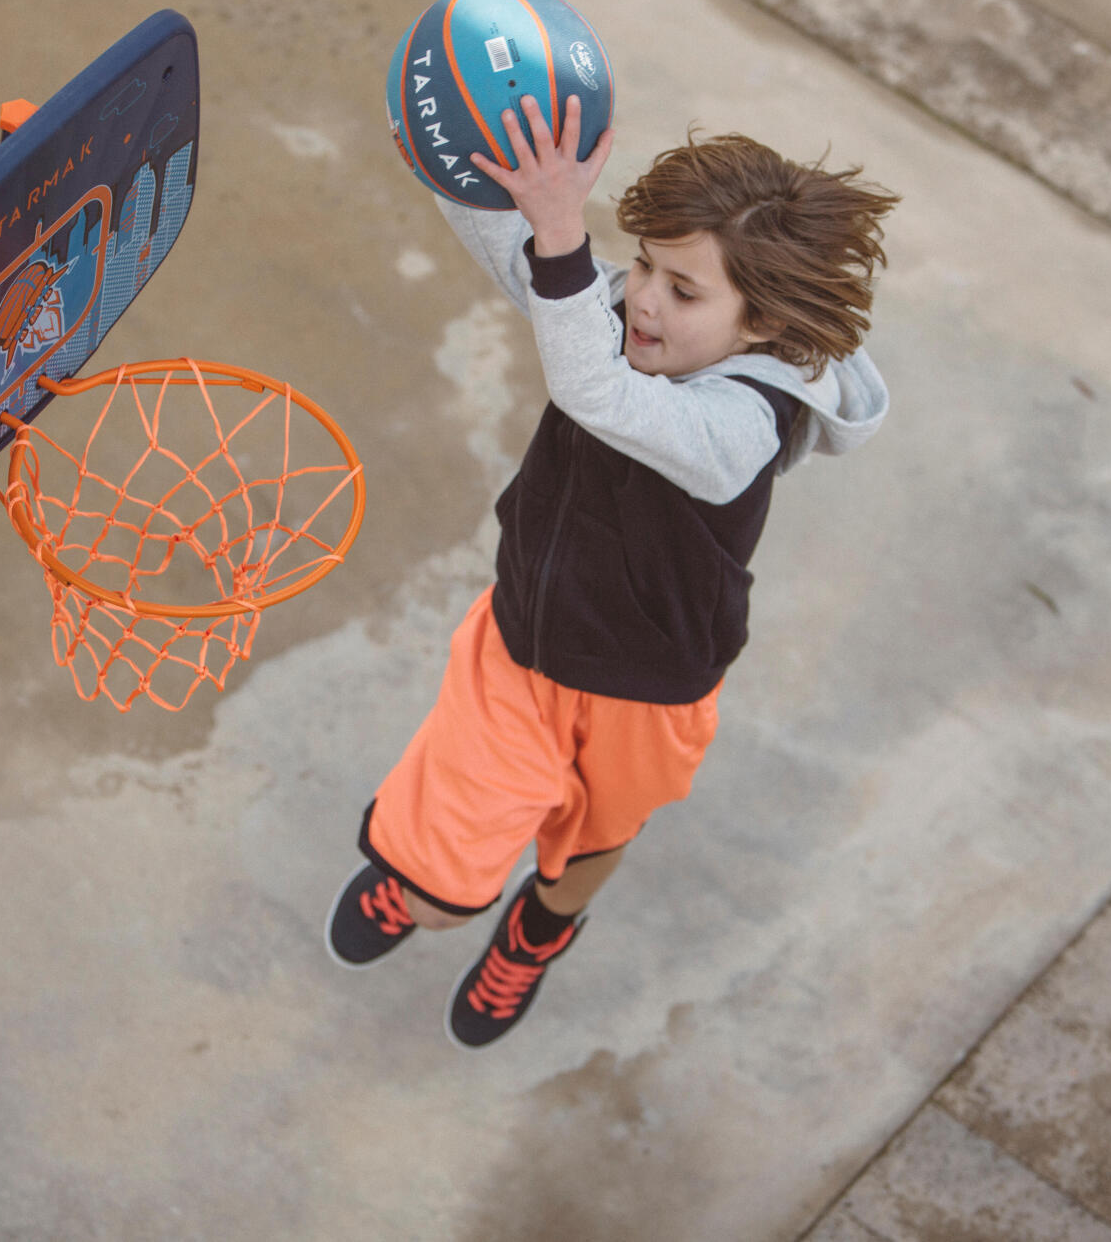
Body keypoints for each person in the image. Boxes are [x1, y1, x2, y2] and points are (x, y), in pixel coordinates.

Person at [328, 87, 899, 1050]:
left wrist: (560, 239)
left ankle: (539, 933)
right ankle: (426, 881)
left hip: (650, 690)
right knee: (436, 891)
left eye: (683, 290)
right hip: (525, 647)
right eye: (643, 264)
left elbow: (593, 389)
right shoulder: (634, 320)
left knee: (591, 840)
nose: (639, 296)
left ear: (759, 326)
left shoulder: (742, 428)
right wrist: (451, 155)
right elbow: (524, 256)